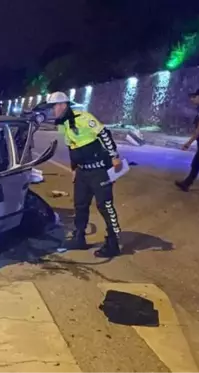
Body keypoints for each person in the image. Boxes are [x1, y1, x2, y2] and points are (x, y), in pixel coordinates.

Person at [49, 91, 123, 258]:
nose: (53, 110)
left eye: (54, 106)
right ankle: (79, 238)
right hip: (82, 171)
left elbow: (104, 133)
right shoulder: (63, 124)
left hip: (98, 170)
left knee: (105, 206)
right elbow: (72, 147)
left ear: (62, 105)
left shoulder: (83, 117)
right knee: (80, 205)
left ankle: (113, 243)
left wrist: (115, 156)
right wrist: (74, 169)